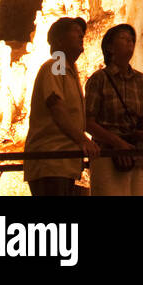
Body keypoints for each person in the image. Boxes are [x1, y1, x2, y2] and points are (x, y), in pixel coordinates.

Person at [23, 16, 99, 196]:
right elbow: (56, 106)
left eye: (82, 32)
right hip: (51, 159)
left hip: (62, 162)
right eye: (75, 31)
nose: (81, 35)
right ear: (58, 40)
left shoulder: (70, 71)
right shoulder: (57, 64)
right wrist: (83, 140)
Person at [85, 24, 143, 196]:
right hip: (108, 156)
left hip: (137, 155)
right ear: (109, 47)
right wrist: (117, 143)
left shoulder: (141, 80)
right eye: (124, 38)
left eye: (132, 40)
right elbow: (87, 121)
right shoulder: (99, 79)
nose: (130, 43)